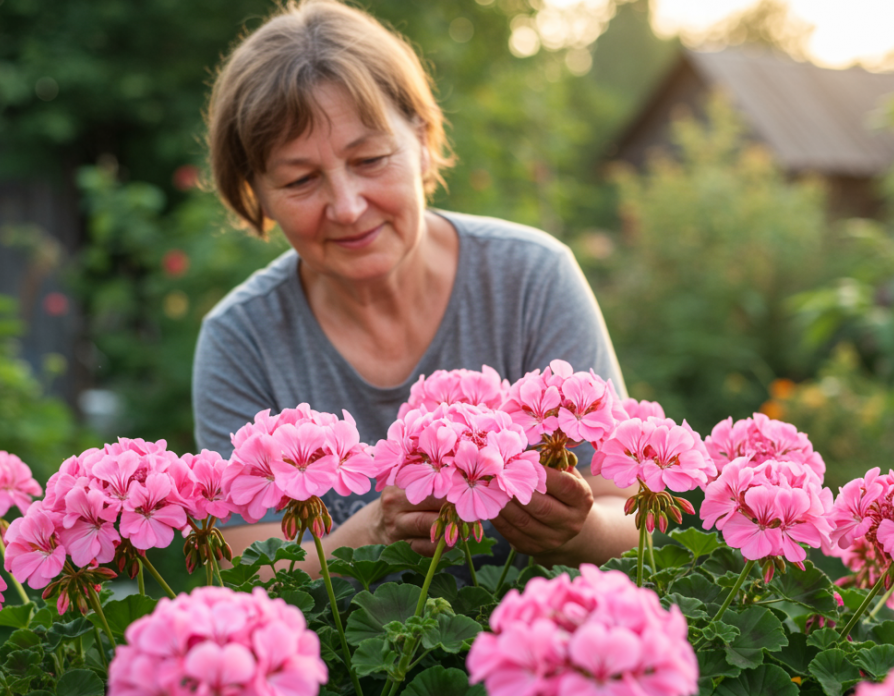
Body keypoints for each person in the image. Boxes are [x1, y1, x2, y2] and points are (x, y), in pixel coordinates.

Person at [194, 0, 637, 574]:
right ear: (256, 194)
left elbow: (627, 511)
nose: (348, 207)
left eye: (371, 159)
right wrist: (370, 533)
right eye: (301, 180)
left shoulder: (532, 276)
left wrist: (579, 531)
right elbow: (245, 571)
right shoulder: (240, 337)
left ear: (423, 141)